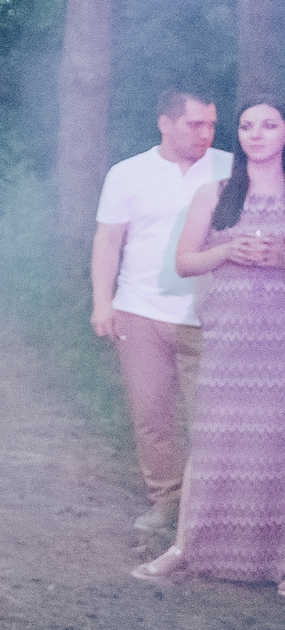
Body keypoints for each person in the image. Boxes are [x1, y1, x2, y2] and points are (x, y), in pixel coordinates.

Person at [134, 96, 285, 593]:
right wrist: (227, 249)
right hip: (229, 333)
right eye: (246, 126)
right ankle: (186, 547)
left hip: (278, 336)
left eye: (268, 125)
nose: (256, 134)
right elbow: (184, 262)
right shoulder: (217, 192)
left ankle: (279, 561)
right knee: (217, 437)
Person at [92, 89, 230, 534]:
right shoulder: (128, 173)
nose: (205, 133)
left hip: (210, 315)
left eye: (211, 124)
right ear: (165, 123)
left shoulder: (231, 169)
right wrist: (102, 301)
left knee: (211, 421)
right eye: (195, 124)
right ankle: (165, 502)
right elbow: (108, 241)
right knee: (152, 415)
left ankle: (212, 512)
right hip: (140, 311)